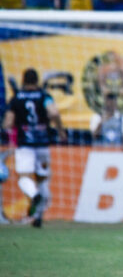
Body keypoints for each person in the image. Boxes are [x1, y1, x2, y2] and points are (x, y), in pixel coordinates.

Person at [2, 68, 66, 227]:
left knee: (24, 178)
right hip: (43, 145)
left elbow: (8, 123)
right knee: (43, 180)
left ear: (23, 81)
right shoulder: (44, 96)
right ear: (37, 81)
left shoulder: (16, 99)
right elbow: (54, 113)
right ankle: (38, 216)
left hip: (25, 146)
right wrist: (60, 130)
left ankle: (34, 195)